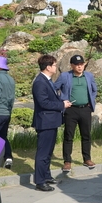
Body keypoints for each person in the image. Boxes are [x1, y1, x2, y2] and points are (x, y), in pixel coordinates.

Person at [32, 55, 71, 192]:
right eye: (54, 65)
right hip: (45, 122)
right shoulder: (40, 82)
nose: (56, 67)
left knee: (48, 152)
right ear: (48, 67)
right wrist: (61, 104)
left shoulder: (47, 80)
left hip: (51, 121)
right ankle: (40, 181)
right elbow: (43, 103)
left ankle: (46, 175)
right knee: (43, 152)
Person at [54, 54, 98, 172]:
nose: (80, 67)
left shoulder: (89, 76)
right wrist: (62, 101)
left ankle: (87, 159)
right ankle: (67, 161)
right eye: (77, 65)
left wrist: (90, 101)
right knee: (69, 136)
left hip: (85, 109)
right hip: (71, 110)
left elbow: (94, 90)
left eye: (81, 64)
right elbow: (54, 88)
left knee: (86, 135)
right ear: (72, 65)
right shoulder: (65, 76)